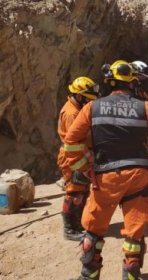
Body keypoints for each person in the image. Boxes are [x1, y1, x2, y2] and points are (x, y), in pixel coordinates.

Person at [64, 60, 148, 280]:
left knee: (94, 230)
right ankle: (131, 275)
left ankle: (89, 276)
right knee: (135, 230)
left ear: (109, 82)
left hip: (106, 175)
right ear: (132, 83)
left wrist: (85, 169)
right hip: (138, 175)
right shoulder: (146, 107)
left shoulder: (91, 107)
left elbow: (70, 143)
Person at [57, 76, 99, 241]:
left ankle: (78, 224)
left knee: (82, 191)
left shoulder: (77, 108)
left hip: (78, 155)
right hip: (73, 158)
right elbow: (74, 142)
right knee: (74, 193)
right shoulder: (71, 114)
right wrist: (88, 159)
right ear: (80, 96)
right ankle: (70, 229)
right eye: (88, 100)